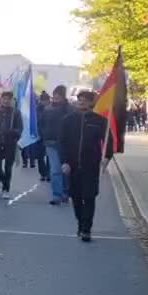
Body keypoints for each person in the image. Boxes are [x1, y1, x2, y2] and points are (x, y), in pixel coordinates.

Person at [60, 90, 111, 242]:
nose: (81, 102)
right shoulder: (68, 120)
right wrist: (64, 161)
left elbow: (109, 141)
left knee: (89, 197)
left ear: (91, 103)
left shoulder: (100, 121)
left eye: (85, 100)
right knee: (76, 196)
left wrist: (107, 157)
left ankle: (87, 229)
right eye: (80, 99)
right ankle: (80, 222)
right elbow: (62, 142)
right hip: (72, 164)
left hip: (91, 164)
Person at [0, 91, 23, 199]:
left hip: (10, 143)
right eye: (4, 98)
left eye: (8, 99)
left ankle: (6, 188)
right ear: (1, 99)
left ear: (11, 100)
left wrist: (13, 133)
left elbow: (20, 128)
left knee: (8, 167)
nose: (6, 101)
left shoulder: (15, 112)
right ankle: (3, 180)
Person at [40, 86, 72, 205]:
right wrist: (44, 134)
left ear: (63, 96)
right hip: (51, 142)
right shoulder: (47, 109)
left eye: (58, 96)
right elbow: (42, 123)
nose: (56, 98)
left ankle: (65, 192)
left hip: (67, 143)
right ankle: (56, 194)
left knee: (65, 169)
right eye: (55, 96)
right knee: (55, 169)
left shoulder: (70, 109)